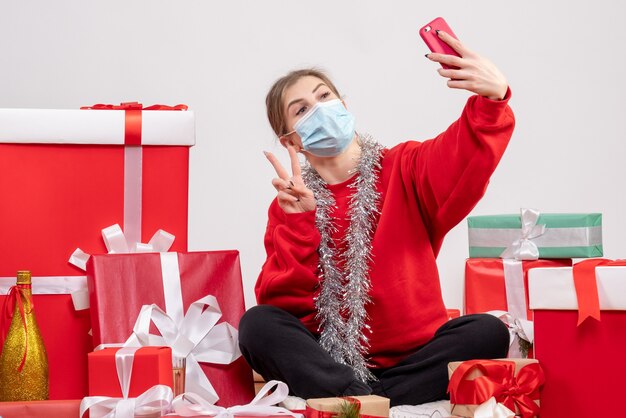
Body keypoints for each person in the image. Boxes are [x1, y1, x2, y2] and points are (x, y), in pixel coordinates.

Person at [239, 30, 514, 406]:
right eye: (302, 109)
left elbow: (462, 156)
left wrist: (491, 99)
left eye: (324, 97)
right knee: (257, 324)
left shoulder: (405, 166)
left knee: (488, 331)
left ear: (344, 105)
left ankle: (359, 403)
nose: (319, 110)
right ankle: (363, 397)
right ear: (291, 141)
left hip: (416, 358)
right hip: (331, 362)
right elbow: (285, 309)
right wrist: (302, 223)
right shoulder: (289, 204)